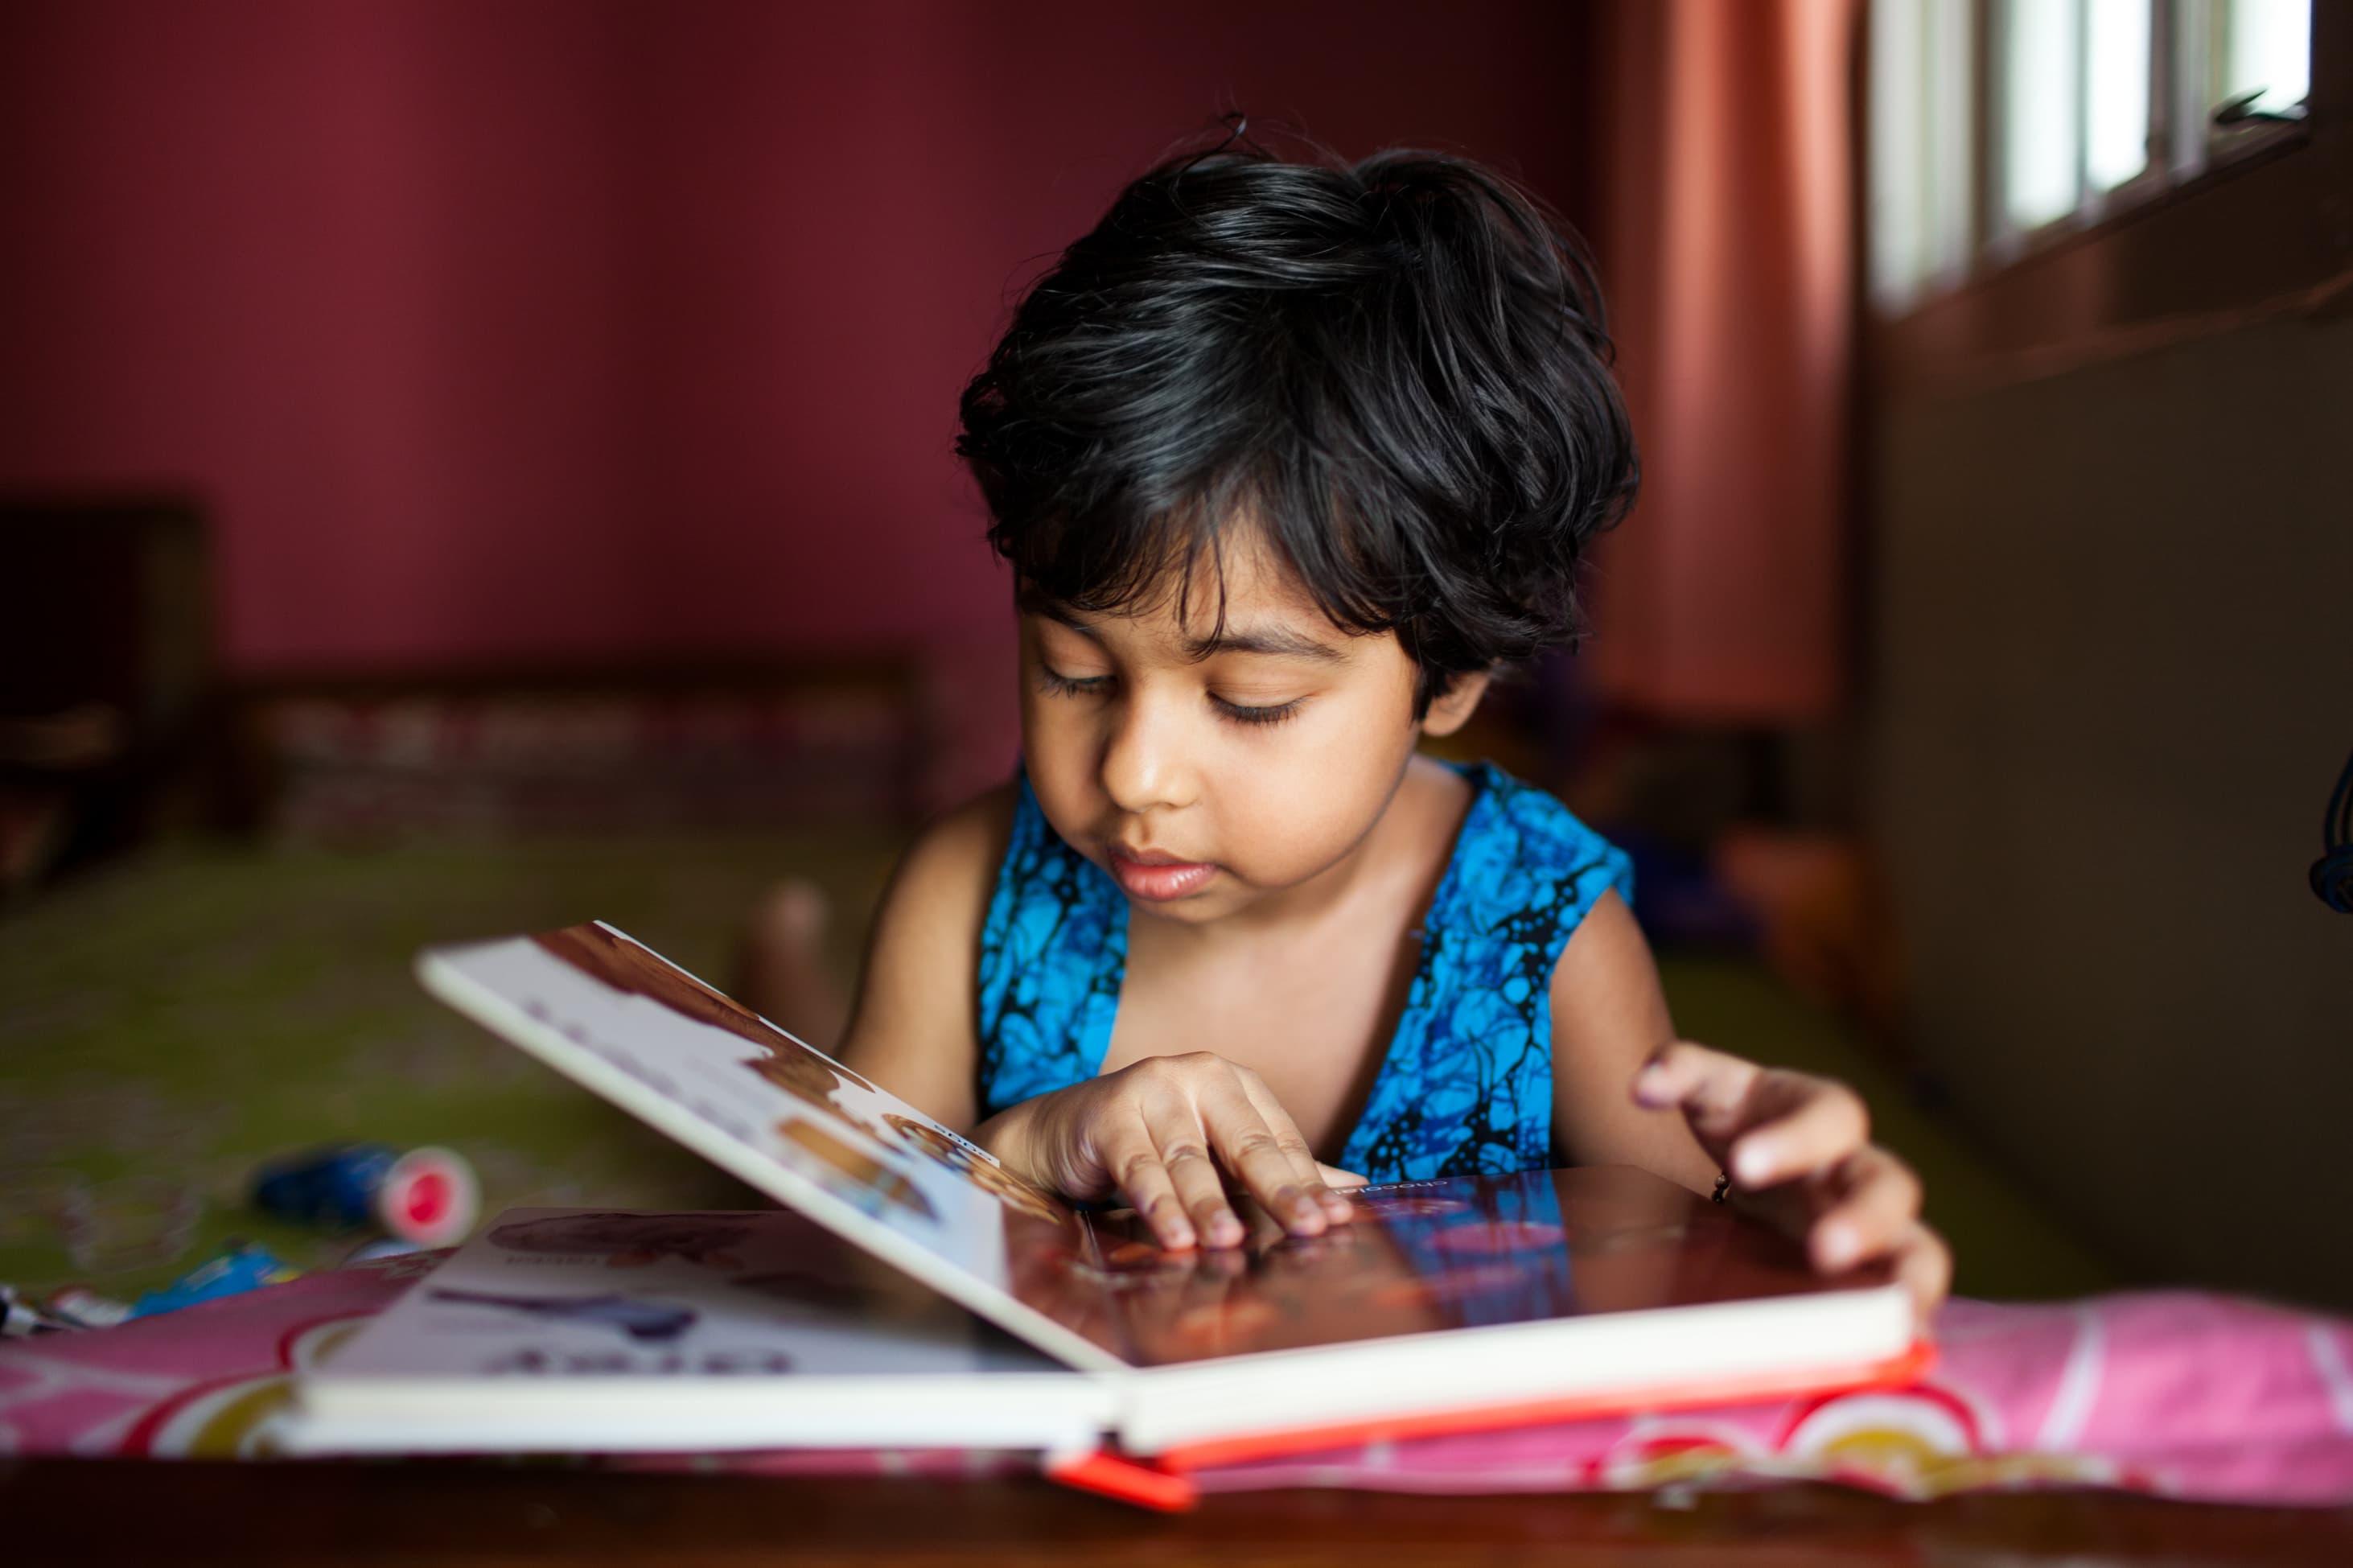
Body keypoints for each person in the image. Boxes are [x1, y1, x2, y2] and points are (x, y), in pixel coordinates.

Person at [742, 135, 1950, 1319]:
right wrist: (1027, 1143)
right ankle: (780, 950)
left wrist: (1793, 1230)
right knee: (778, 1088)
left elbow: (1691, 1266)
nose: (1135, 773)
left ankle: (785, 944)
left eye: (1247, 699)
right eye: (1073, 671)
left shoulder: (1538, 929)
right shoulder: (971, 895)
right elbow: (850, 1246)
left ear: (1450, 680)